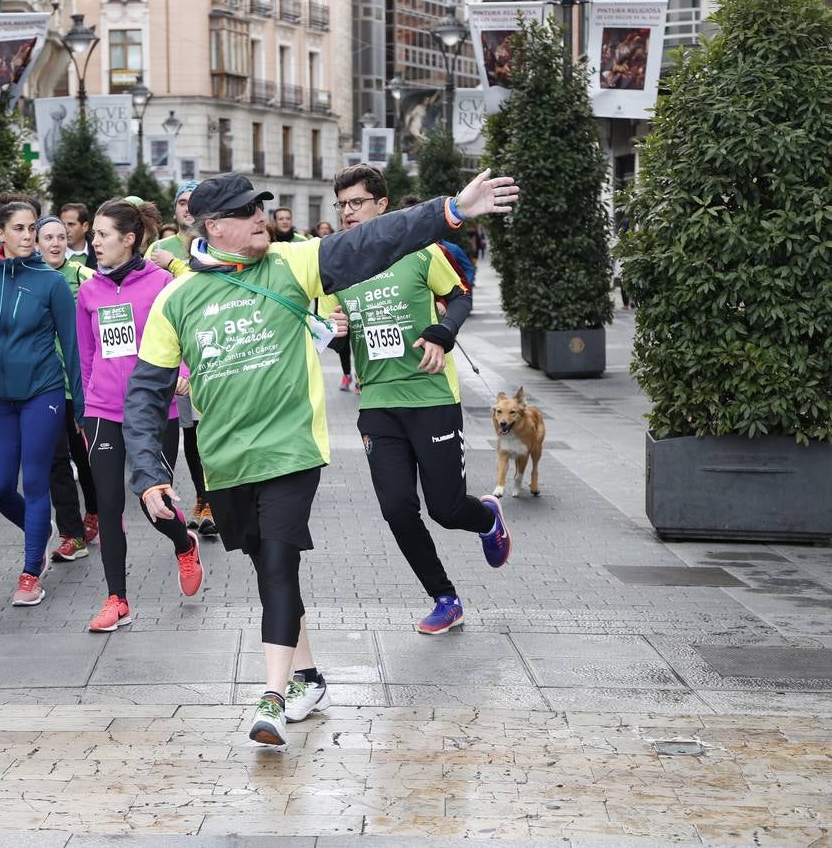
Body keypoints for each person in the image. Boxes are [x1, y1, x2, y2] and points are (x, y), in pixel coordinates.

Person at [124, 168, 518, 746]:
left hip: (291, 451)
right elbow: (145, 393)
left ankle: (273, 698)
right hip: (227, 460)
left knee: (281, 563)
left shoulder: (292, 262)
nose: (262, 218)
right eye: (247, 212)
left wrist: (452, 210)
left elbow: (376, 240)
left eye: (263, 208)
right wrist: (148, 472)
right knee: (267, 571)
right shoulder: (175, 300)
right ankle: (308, 676)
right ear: (214, 227)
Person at [322, 163, 514, 639]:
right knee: (397, 508)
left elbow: (461, 297)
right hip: (378, 403)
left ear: (381, 205)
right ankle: (444, 597)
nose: (348, 213)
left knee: (446, 511)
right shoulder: (338, 267)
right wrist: (332, 332)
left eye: (356, 203)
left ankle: (486, 516)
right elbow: (333, 333)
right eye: (342, 205)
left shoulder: (419, 252)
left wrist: (441, 333)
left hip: (430, 397)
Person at [77, 197, 206, 632]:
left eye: (101, 234)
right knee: (109, 506)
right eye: (93, 234)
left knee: (154, 503)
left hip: (154, 409)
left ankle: (183, 543)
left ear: (129, 239)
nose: (93, 241)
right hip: (103, 412)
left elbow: (184, 337)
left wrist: (184, 373)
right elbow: (87, 354)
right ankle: (117, 600)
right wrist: (87, 406)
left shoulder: (160, 285)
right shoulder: (90, 289)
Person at [0, 201, 85, 607]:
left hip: (43, 393)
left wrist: (80, 406)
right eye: (19, 228)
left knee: (34, 481)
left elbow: (73, 346)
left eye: (33, 228)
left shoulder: (52, 283)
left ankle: (31, 572)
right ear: (0, 234)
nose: (29, 236)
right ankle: (39, 532)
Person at [144, 180, 218, 538]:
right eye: (182, 203)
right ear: (174, 209)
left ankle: (215, 497)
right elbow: (148, 294)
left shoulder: (215, 241)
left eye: (194, 203)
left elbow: (212, 287)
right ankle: (204, 500)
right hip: (179, 352)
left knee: (211, 428)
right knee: (190, 429)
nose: (187, 209)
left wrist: (173, 265)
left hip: (214, 347)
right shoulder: (158, 247)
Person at [35, 215, 102, 559]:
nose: (56, 243)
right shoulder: (30, 278)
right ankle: (72, 534)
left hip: (82, 386)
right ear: (37, 243)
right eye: (48, 237)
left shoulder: (84, 276)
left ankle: (96, 512)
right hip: (45, 388)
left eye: (61, 236)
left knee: (85, 457)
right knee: (55, 461)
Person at [59, 202, 99, 269]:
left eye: (71, 224)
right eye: (62, 224)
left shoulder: (100, 252)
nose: (65, 230)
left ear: (85, 226)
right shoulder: (52, 253)